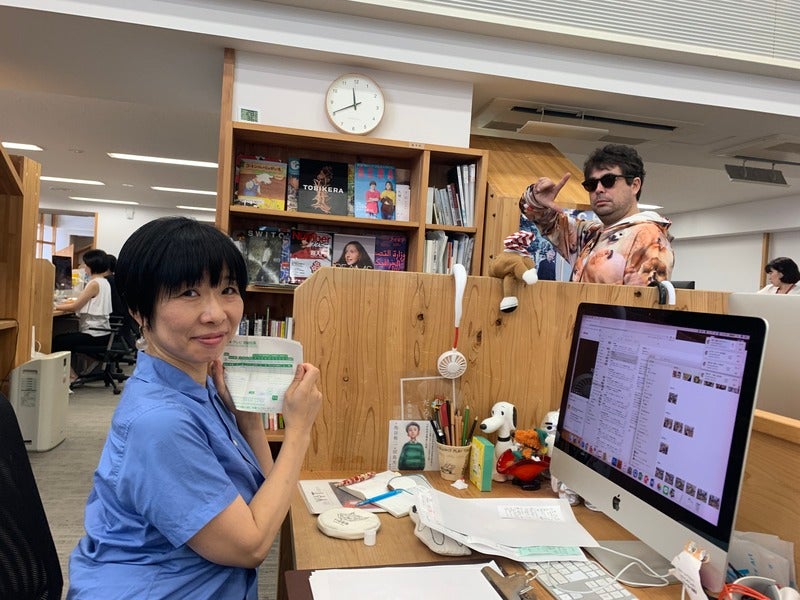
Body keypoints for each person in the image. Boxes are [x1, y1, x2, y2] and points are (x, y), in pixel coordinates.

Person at [67, 217, 322, 599]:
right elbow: (251, 546)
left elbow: (268, 495)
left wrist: (248, 420)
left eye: (228, 289)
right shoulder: (160, 422)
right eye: (189, 292)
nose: (216, 313)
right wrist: (299, 430)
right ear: (138, 310)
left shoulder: (198, 384)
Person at [519, 144, 674, 285]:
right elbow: (544, 219)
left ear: (634, 185)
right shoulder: (592, 235)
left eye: (608, 180)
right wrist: (537, 199)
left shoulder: (648, 236)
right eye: (591, 184)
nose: (598, 189)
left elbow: (642, 304)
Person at [52, 249, 113, 381]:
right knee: (66, 337)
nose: (84, 268)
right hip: (103, 332)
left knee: (57, 342)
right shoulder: (104, 282)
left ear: (91, 266)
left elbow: (75, 307)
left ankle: (72, 376)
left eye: (85, 265)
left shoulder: (94, 284)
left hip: (94, 334)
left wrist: (54, 306)